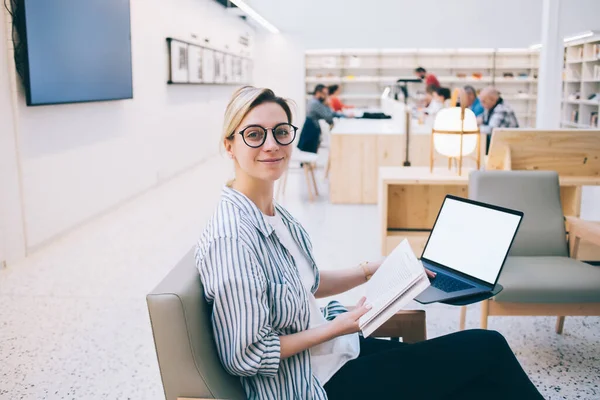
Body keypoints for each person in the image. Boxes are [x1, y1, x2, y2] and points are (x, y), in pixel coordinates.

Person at [195, 85, 544, 400]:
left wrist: (376, 270)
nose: (271, 145)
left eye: (281, 132)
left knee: (475, 375)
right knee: (487, 347)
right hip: (311, 384)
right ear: (229, 145)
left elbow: (309, 283)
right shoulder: (233, 238)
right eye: (254, 135)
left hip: (334, 354)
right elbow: (247, 355)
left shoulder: (272, 214)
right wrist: (340, 325)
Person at [479, 87, 519, 154]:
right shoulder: (491, 107)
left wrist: (476, 129)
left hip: (508, 148)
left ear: (493, 100)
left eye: (484, 101)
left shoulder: (502, 109)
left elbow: (491, 129)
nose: (481, 104)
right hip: (500, 144)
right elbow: (482, 118)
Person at [297, 84, 335, 153]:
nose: (326, 96)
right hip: (311, 129)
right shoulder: (315, 103)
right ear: (318, 93)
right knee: (309, 151)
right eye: (324, 94)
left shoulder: (315, 101)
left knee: (309, 151)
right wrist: (328, 105)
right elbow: (328, 116)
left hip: (311, 127)